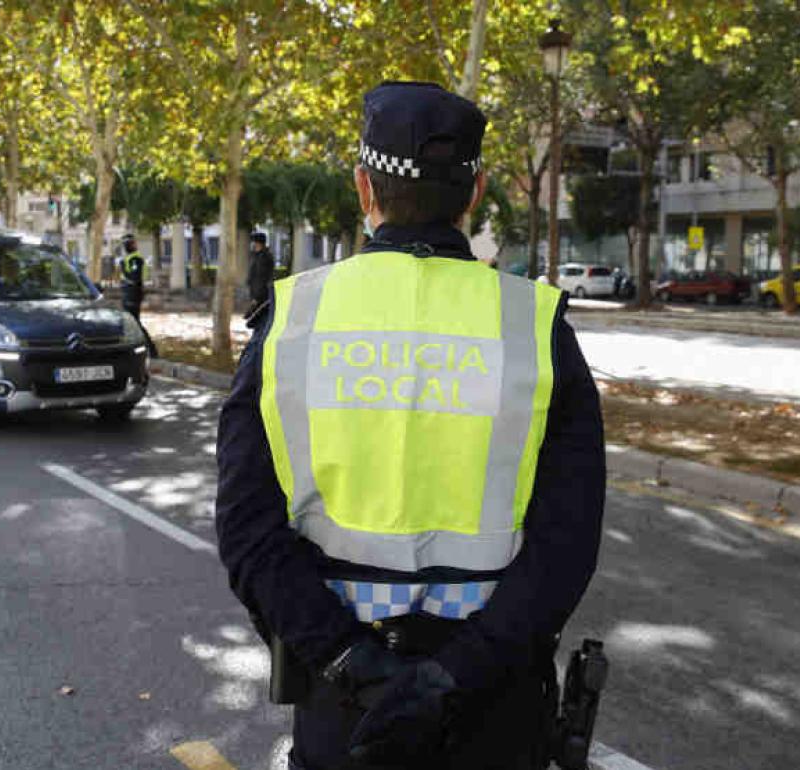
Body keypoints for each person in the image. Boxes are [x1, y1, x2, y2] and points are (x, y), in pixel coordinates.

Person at [215, 81, 605, 770]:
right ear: (475, 192)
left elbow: (248, 534)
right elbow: (565, 546)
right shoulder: (536, 326)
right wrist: (449, 678)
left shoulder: (293, 321)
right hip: (495, 710)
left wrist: (352, 663)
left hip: (347, 712)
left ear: (365, 189)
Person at [119, 234, 157, 357]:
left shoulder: (136, 259)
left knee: (134, 323)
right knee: (129, 324)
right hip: (128, 295)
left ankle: (151, 350)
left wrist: (123, 269)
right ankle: (134, 349)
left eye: (130, 243)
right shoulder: (128, 259)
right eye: (127, 244)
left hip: (133, 295)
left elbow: (134, 278)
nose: (129, 246)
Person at [247, 232, 275, 313]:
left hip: (262, 295)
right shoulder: (255, 255)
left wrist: (257, 297)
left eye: (253, 241)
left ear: (258, 243)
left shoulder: (265, 257)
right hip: (255, 293)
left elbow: (262, 278)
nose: (252, 244)